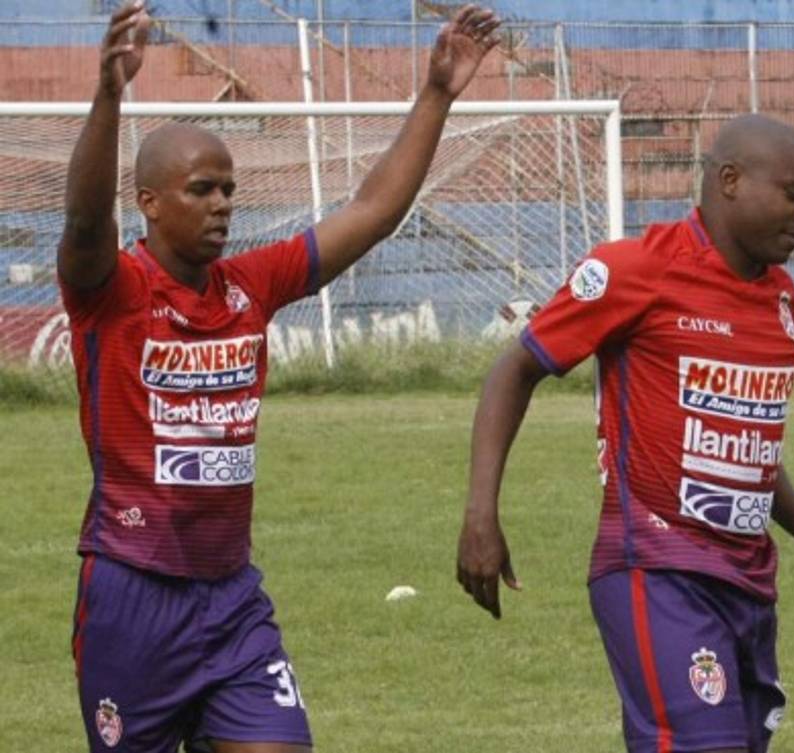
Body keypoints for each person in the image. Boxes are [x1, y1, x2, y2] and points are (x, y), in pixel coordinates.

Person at [59, 2, 499, 751]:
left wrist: (436, 93)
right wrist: (109, 95)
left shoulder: (250, 284)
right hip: (132, 596)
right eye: (202, 189)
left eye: (228, 190)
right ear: (150, 203)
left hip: (231, 598)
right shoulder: (113, 291)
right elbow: (82, 223)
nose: (222, 205)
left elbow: (372, 212)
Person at [457, 112, 794, 753]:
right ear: (730, 180)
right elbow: (515, 369)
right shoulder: (634, 271)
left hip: (748, 581)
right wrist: (481, 513)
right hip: (656, 568)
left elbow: (746, 443)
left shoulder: (781, 297)